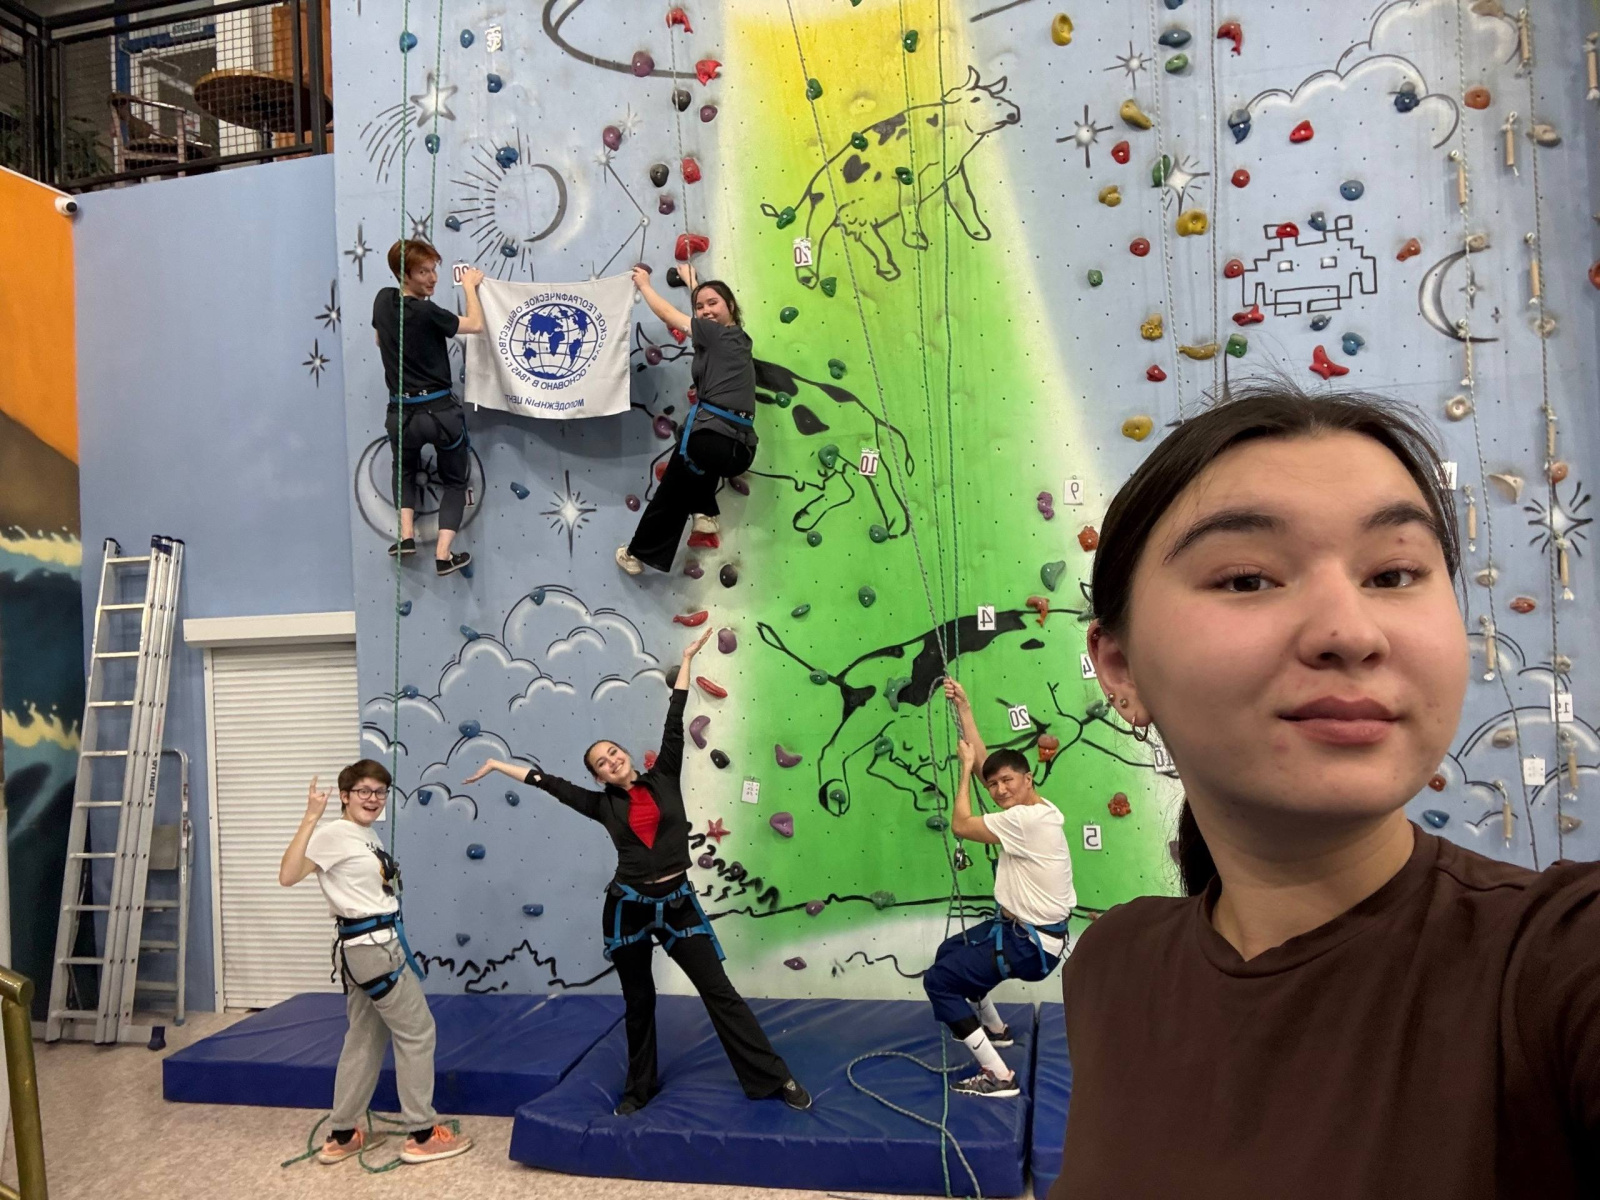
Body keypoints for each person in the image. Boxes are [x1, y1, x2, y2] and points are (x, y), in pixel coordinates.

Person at [1058, 381, 1600, 1199]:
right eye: (1247, 580)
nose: (1350, 632)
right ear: (1121, 670)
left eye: (1393, 573)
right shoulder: (1112, 965)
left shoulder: (1555, 965)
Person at [464, 630, 811, 1116]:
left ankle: (772, 1078)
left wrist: (686, 660)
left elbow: (675, 718)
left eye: (613, 753)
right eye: (601, 764)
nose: (611, 762)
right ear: (598, 776)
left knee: (720, 993)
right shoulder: (599, 805)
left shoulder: (664, 775)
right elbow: (547, 782)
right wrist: (498, 765)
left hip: (678, 904)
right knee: (639, 1001)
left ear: (624, 753)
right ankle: (638, 1089)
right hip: (627, 909)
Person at [278, 760, 473, 1166]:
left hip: (368, 949)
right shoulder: (334, 834)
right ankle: (422, 1134)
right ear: (345, 795)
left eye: (380, 792)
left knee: (365, 1039)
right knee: (418, 1032)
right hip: (374, 950)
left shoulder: (364, 834)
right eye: (364, 791)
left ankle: (343, 1134)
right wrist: (311, 817)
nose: (373, 799)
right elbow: (289, 875)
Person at [919, 677, 1075, 1097]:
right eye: (994, 785)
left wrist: (965, 770)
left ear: (1028, 778)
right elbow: (990, 766)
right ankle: (996, 1029)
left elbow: (960, 824)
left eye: (1008, 781)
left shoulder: (1024, 821)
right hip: (1027, 934)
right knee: (948, 952)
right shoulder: (1038, 808)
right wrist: (965, 709)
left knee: (939, 981)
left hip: (1030, 946)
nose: (1000, 789)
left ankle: (998, 1075)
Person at [617, 263, 757, 575]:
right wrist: (692, 280)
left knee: (672, 491)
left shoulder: (715, 334)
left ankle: (637, 554)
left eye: (713, 303)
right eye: (699, 306)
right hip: (741, 449)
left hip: (713, 439)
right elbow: (708, 309)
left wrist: (644, 284)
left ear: (731, 306)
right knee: (695, 459)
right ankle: (705, 515)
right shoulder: (739, 340)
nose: (705, 311)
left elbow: (669, 315)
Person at [374, 239, 484, 576]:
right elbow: (475, 325)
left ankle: (406, 536)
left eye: (433, 270)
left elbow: (379, 339)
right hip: (440, 413)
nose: (433, 278)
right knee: (454, 481)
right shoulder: (428, 312)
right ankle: (443, 554)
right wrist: (469, 286)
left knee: (404, 470)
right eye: (423, 272)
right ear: (403, 274)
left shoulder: (382, 300)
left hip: (402, 414)